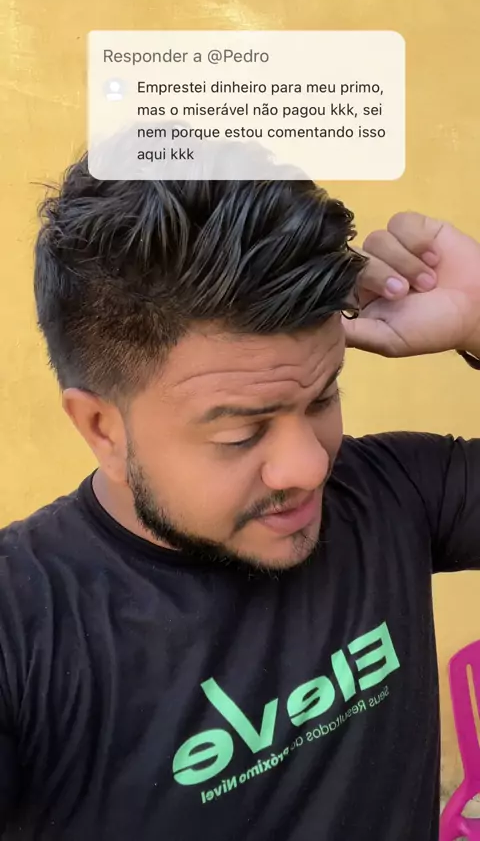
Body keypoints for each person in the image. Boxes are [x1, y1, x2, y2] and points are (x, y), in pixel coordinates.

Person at [1, 153, 479, 841]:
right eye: (241, 433)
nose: (309, 466)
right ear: (103, 428)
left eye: (324, 397)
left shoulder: (393, 492)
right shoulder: (23, 630)